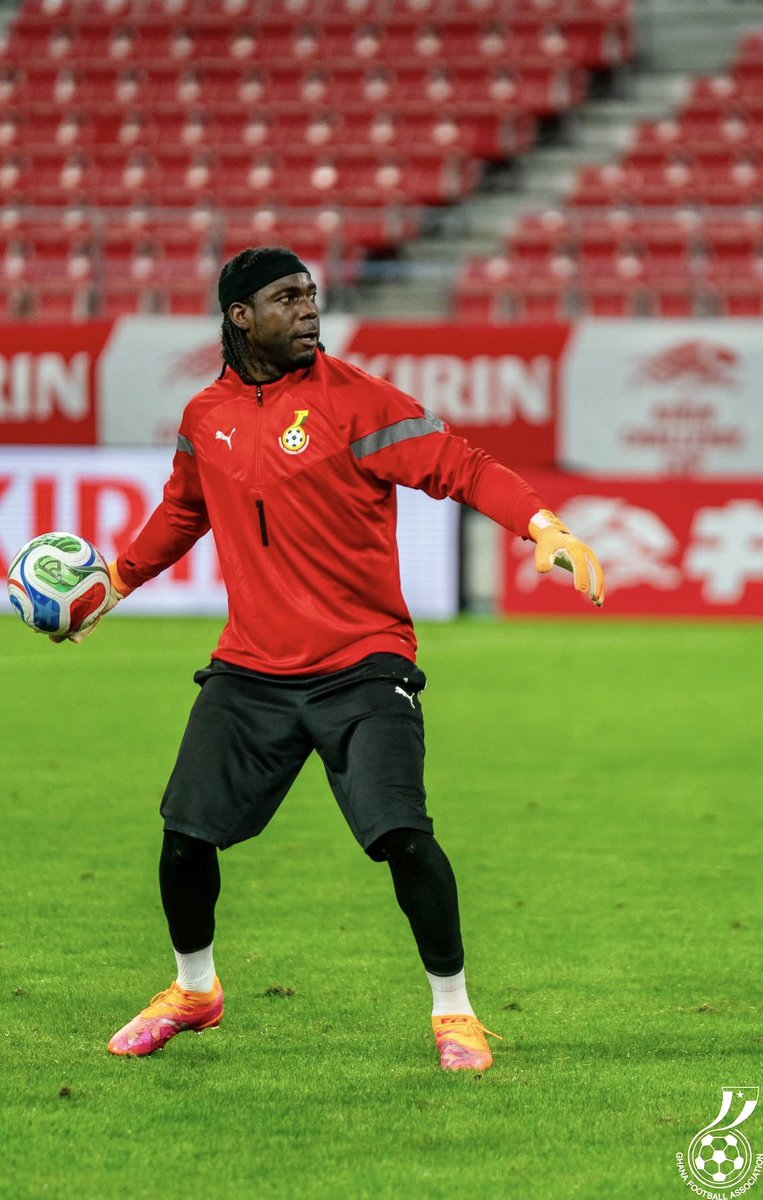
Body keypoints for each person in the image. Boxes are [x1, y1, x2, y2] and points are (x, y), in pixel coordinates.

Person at [56, 246, 606, 1072]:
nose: (308, 309)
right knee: (183, 837)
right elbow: (183, 509)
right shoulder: (207, 415)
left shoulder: (357, 401)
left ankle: (453, 1013)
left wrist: (542, 527)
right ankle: (195, 990)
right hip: (250, 670)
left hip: (362, 663)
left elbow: (461, 465)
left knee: (403, 838)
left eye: (311, 295)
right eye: (286, 298)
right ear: (240, 316)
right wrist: (115, 583)